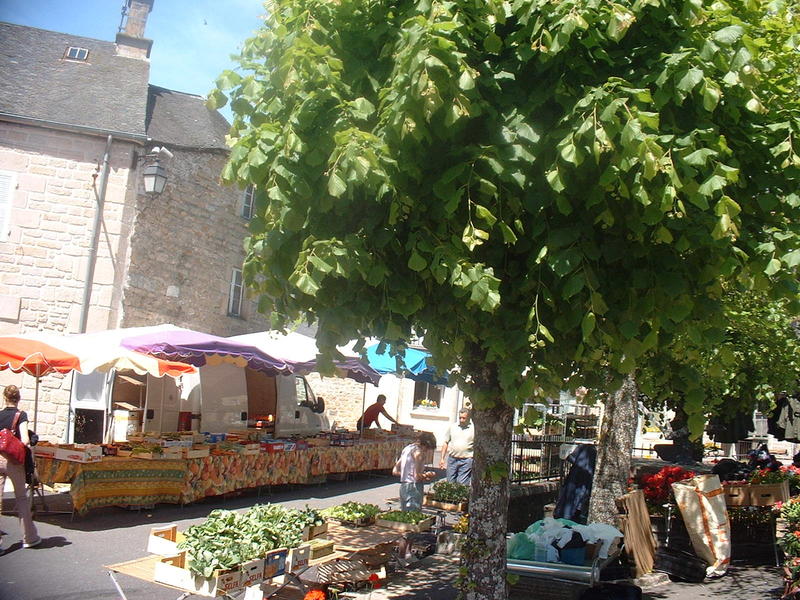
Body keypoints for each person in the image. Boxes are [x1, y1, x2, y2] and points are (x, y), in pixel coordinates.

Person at [0, 385, 41, 549]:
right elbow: (24, 439)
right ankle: (29, 537)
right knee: (21, 499)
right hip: (13, 460)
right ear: (19, 398)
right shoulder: (21, 415)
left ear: (5, 397)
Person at [393, 431, 437, 511]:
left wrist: (407, 474)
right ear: (425, 445)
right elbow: (416, 476)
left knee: (405, 514)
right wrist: (427, 475)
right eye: (427, 448)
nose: (427, 451)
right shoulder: (419, 453)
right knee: (413, 515)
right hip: (414, 487)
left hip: (404, 486)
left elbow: (395, 471)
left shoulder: (408, 448)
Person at [439, 408, 474, 485]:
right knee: (450, 483)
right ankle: (451, 497)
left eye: (464, 418)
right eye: (460, 418)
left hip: (466, 460)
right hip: (452, 459)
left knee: (462, 484)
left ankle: (461, 496)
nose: (461, 420)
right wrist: (442, 458)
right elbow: (445, 442)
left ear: (469, 417)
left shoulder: (474, 429)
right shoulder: (453, 427)